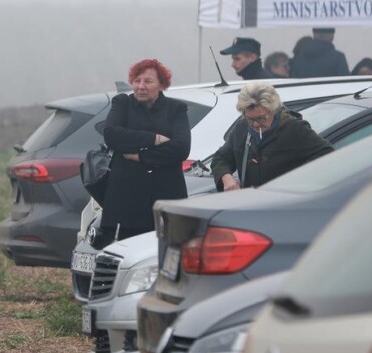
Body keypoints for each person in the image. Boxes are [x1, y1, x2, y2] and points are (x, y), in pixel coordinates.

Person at [99, 59, 191, 242]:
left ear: (161, 85)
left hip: (166, 197)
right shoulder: (122, 103)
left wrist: (142, 155)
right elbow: (111, 135)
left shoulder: (176, 109)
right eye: (137, 81)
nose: (141, 86)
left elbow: (181, 148)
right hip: (126, 200)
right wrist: (154, 139)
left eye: (148, 81)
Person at [211, 81, 334, 191]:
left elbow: (328, 156)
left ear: (274, 110)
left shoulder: (295, 129)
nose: (255, 124)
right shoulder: (242, 127)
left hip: (284, 207)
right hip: (250, 206)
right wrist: (226, 177)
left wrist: (298, 180)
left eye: (261, 118)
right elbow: (220, 158)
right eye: (250, 118)